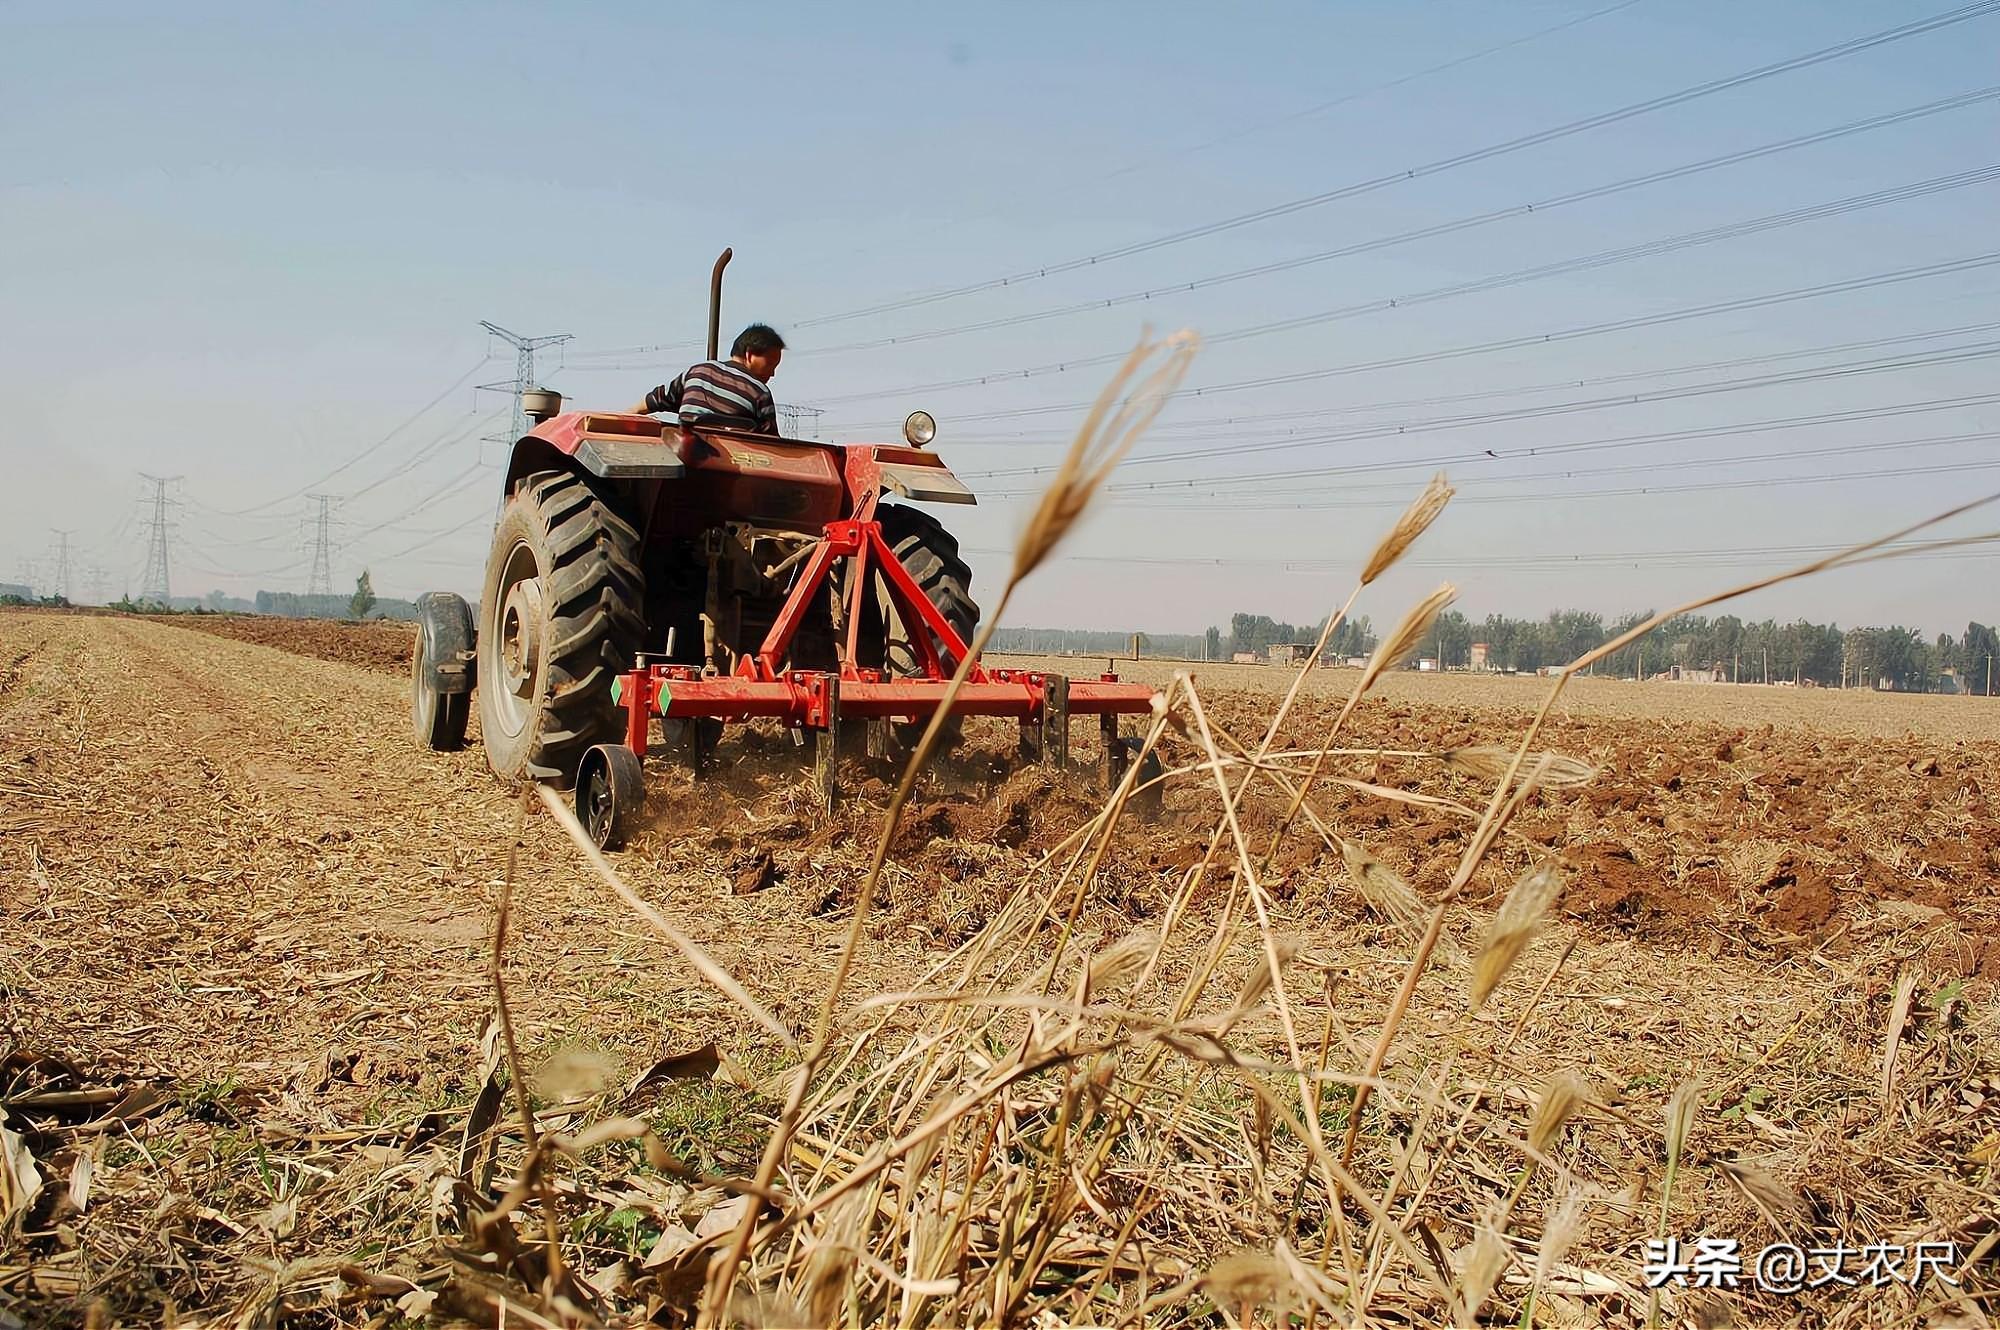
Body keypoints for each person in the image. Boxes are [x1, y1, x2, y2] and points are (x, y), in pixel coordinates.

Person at [634, 324, 785, 434]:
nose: (772, 373)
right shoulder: (760, 392)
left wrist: (626, 417)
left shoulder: (697, 371)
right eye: (770, 364)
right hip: (734, 465)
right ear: (750, 354)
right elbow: (772, 444)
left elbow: (656, 399)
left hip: (686, 455)